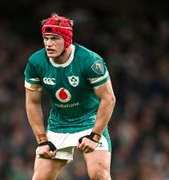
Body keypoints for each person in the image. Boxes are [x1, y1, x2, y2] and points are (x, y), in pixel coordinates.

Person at [24, 13, 116, 180]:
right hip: (58, 125)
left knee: (99, 175)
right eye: (45, 38)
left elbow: (108, 99)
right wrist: (42, 140)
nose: (48, 44)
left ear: (67, 40)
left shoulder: (90, 61)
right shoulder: (36, 62)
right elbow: (32, 102)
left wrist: (95, 136)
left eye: (54, 38)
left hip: (89, 121)